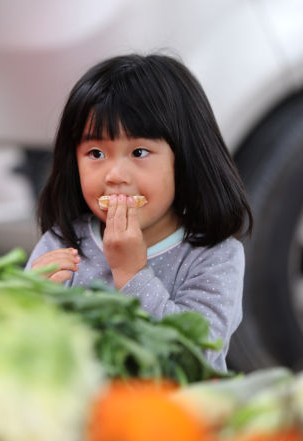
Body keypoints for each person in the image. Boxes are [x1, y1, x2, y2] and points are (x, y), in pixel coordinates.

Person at [27, 53, 253, 372]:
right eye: (95, 153)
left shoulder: (214, 258)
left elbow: (192, 361)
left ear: (184, 158)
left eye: (139, 152)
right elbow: (24, 350)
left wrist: (132, 275)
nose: (115, 174)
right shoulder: (63, 242)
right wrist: (31, 297)